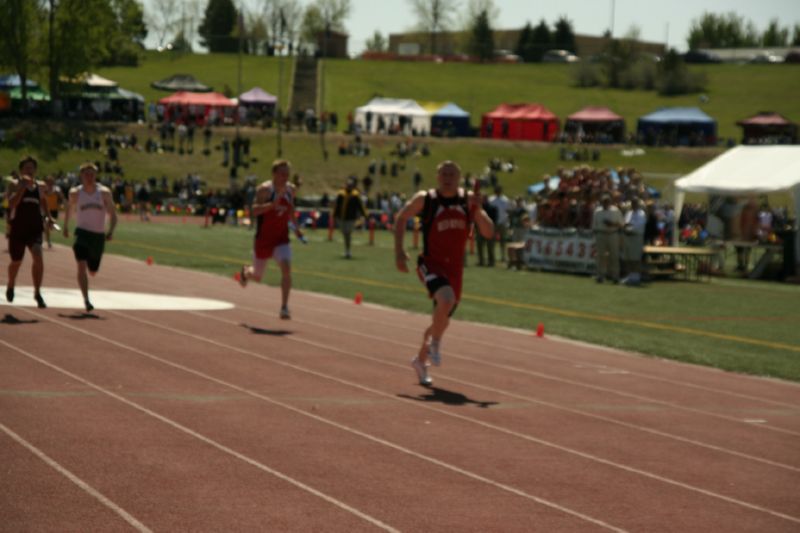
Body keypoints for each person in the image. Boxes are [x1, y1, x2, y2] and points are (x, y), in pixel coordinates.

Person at [394, 161, 494, 386]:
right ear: (437, 176)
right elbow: (401, 218)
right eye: (444, 173)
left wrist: (479, 211)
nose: (447, 177)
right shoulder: (426, 199)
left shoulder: (467, 201)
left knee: (442, 318)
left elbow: (488, 232)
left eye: (452, 174)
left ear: (459, 178)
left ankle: (420, 360)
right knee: (446, 300)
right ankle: (436, 342)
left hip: (455, 269)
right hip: (430, 263)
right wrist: (399, 252)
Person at [238, 159, 304, 320]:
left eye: (287, 174)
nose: (285, 177)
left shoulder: (291, 190)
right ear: (274, 174)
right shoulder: (264, 190)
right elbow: (254, 211)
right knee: (258, 276)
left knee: (286, 268)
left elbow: (290, 209)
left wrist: (296, 229)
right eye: (282, 174)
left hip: (281, 239)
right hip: (263, 240)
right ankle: (246, 273)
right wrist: (271, 204)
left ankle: (284, 307)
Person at [62, 162, 118, 312]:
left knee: (92, 270)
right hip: (82, 233)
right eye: (86, 174)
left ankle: (91, 268)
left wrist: (111, 230)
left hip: (98, 236)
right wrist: (66, 226)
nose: (89, 177)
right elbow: (69, 209)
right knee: (81, 265)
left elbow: (113, 214)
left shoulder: (104, 192)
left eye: (92, 174)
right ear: (81, 176)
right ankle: (86, 299)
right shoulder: (75, 193)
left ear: (96, 175)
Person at [6, 155, 53, 308]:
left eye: (32, 168)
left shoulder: (40, 186)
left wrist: (49, 217)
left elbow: (44, 200)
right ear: (21, 171)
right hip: (18, 229)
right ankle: (11, 283)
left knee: (38, 256)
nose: (30, 171)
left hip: (34, 229)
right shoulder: (14, 184)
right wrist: (22, 188)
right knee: (16, 262)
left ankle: (37, 292)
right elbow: (12, 204)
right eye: (26, 168)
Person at [332, 176, 367, 259]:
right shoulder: (341, 193)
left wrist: (365, 215)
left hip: (350, 218)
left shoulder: (355, 195)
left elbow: (360, 206)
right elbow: (337, 205)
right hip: (341, 217)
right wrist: (334, 215)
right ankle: (347, 250)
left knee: (348, 234)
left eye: (350, 185)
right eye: (348, 184)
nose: (349, 186)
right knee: (344, 233)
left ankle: (348, 251)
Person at [592, 194, 624, 283]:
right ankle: (600, 275)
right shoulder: (597, 211)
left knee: (614, 256)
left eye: (607, 201)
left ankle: (615, 276)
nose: (605, 203)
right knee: (600, 256)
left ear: (610, 202)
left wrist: (612, 224)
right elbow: (594, 225)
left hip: (612, 234)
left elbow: (622, 224)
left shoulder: (615, 211)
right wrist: (595, 237)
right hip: (601, 234)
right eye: (603, 202)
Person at [621, 197, 646, 286]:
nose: (633, 205)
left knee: (635, 258)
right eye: (632, 203)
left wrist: (628, 227)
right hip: (628, 237)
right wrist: (625, 227)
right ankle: (630, 276)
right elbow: (625, 223)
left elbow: (638, 226)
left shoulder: (641, 214)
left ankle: (636, 277)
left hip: (636, 237)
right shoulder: (629, 213)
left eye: (635, 203)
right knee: (628, 258)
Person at [43, 175, 65, 248]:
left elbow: (62, 198)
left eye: (51, 182)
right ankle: (48, 241)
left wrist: (61, 204)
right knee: (46, 224)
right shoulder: (44, 190)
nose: (50, 184)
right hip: (46, 210)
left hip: (54, 210)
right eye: (48, 182)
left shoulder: (56, 190)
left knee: (50, 226)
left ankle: (49, 229)